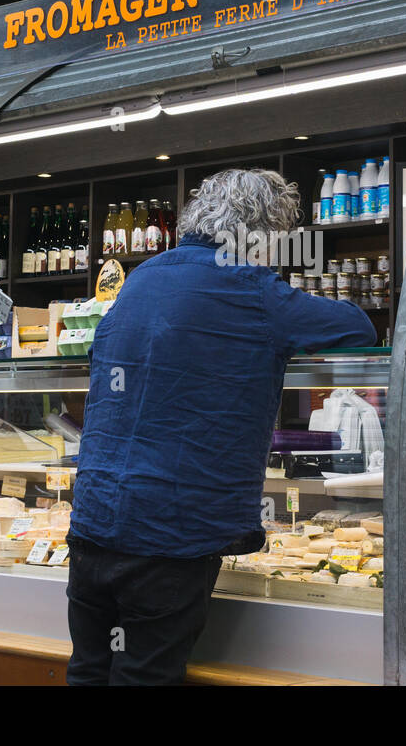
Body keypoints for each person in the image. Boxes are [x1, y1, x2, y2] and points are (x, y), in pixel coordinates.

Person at [67, 168, 377, 685]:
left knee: (88, 673)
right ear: (263, 234)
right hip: (170, 532)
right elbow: (357, 327)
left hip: (94, 521)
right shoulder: (254, 289)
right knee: (145, 677)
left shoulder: (143, 276)